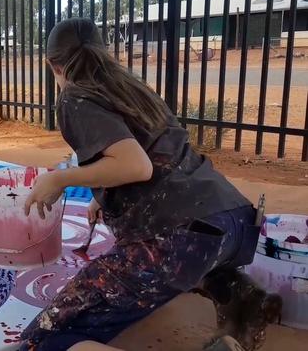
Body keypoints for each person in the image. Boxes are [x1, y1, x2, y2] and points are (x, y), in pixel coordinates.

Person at [21, 18, 276, 351]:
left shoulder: (74, 96)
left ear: (51, 63)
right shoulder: (129, 87)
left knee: (47, 339)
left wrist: (60, 178)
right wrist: (104, 195)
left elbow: (135, 165)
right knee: (186, 261)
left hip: (179, 239)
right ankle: (241, 297)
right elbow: (156, 157)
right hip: (233, 222)